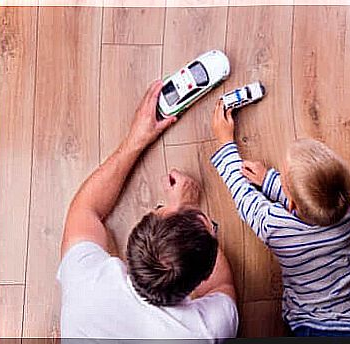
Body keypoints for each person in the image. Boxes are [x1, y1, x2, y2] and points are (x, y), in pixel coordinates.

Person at [58, 81, 238, 341]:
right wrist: (189, 211)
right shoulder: (208, 329)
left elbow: (86, 208)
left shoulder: (85, 284)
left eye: (160, 209)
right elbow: (222, 287)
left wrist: (135, 140)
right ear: (203, 277)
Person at [210, 100, 350, 337]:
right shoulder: (347, 202)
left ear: (290, 203)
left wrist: (225, 142)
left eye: (283, 177)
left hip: (311, 326)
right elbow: (312, 199)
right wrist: (270, 180)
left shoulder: (276, 227)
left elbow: (242, 195)